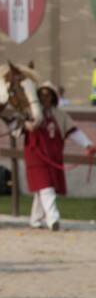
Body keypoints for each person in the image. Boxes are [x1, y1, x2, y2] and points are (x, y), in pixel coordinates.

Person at [24, 81, 95, 231]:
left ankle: (35, 220)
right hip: (36, 156)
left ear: (53, 97)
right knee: (46, 187)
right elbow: (15, 128)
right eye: (42, 95)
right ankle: (53, 219)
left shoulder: (60, 115)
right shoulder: (31, 114)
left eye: (47, 95)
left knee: (42, 189)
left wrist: (88, 144)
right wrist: (24, 124)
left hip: (53, 157)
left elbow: (73, 131)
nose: (45, 98)